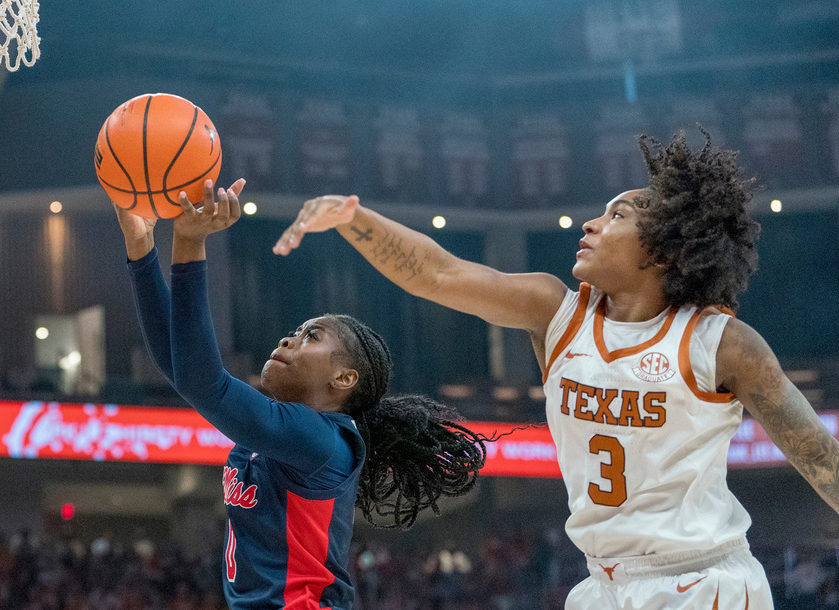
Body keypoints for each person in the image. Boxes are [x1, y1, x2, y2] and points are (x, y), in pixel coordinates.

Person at [273, 129, 839, 609]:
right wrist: (354, 217)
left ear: (662, 249)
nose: (591, 223)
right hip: (601, 584)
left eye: (617, 214)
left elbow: (816, 453)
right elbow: (439, 275)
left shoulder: (721, 342)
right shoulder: (555, 313)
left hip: (704, 581)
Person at [116, 179, 493, 609]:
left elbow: (203, 381)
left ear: (344, 378)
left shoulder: (322, 442)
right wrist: (140, 246)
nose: (289, 339)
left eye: (311, 335)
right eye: (296, 331)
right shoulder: (287, 431)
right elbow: (180, 366)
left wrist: (189, 242)